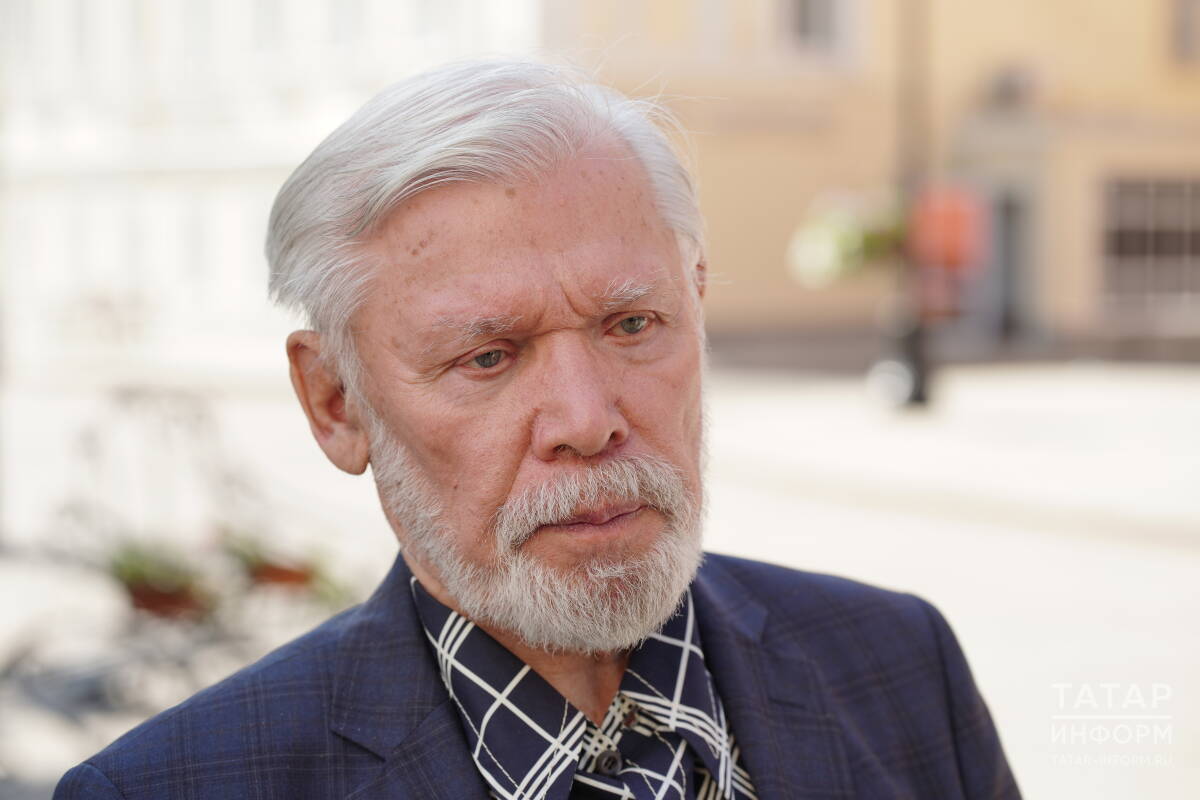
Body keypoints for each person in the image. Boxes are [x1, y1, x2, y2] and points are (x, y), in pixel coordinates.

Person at [56, 59, 1020, 800]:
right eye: (488, 357)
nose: (588, 421)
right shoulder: (173, 787)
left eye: (631, 325)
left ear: (696, 305)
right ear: (336, 404)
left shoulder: (901, 665)